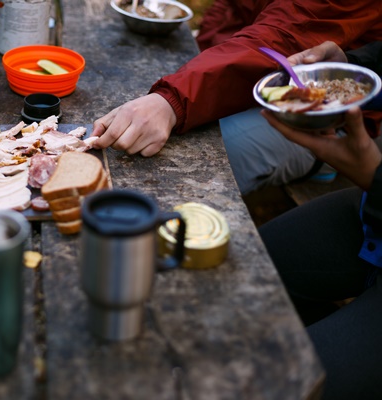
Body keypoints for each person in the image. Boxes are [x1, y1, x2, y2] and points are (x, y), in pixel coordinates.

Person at [90, 0, 382, 192]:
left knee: (189, 177)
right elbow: (233, 9)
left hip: (329, 115)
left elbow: (286, 33)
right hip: (262, 71)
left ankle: (320, 163)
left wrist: (174, 100)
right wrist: (203, 56)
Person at [258, 41, 382, 399]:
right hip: (372, 211)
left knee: (280, 382)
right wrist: (355, 65)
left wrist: (375, 175)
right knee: (246, 273)